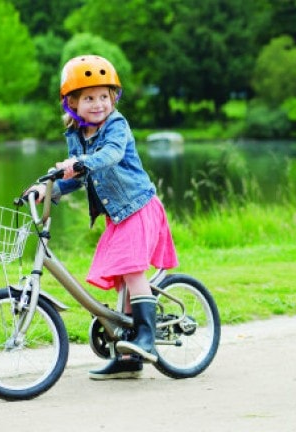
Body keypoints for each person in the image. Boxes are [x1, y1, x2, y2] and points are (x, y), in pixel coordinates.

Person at [27, 55, 179, 380]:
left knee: (131, 271)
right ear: (72, 104)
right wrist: (47, 189)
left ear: (113, 99)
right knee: (121, 281)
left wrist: (80, 162)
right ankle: (128, 356)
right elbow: (77, 176)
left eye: (103, 97)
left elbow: (110, 155)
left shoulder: (116, 125)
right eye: (88, 98)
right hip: (118, 216)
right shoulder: (76, 136)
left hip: (138, 207)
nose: (97, 104)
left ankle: (147, 340)